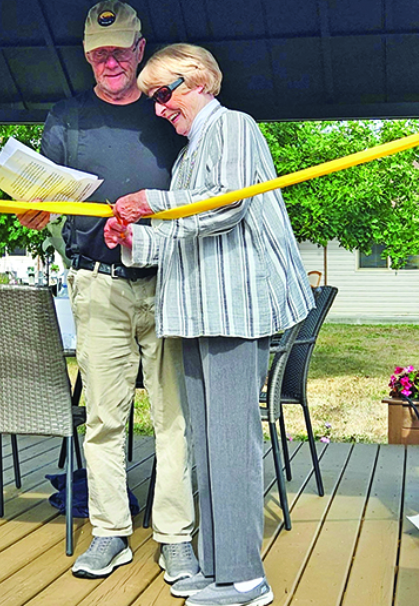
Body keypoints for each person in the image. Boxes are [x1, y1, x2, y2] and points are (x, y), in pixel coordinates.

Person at [104, 43, 313, 606]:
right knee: (205, 442)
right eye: (151, 99)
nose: (158, 108)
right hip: (200, 312)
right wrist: (134, 239)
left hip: (235, 308)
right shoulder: (191, 152)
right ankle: (221, 570)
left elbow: (227, 206)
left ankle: (246, 578)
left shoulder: (232, 126)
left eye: (163, 93)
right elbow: (183, 233)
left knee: (230, 444)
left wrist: (149, 201)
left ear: (200, 81)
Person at [17, 0, 198, 584]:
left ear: (141, 49)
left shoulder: (167, 112)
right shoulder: (65, 117)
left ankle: (176, 539)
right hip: (98, 286)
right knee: (103, 419)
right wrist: (32, 209)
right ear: (88, 56)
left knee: (174, 419)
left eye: (121, 49)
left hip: (170, 281)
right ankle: (111, 533)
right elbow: (40, 200)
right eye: (99, 52)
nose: (110, 60)